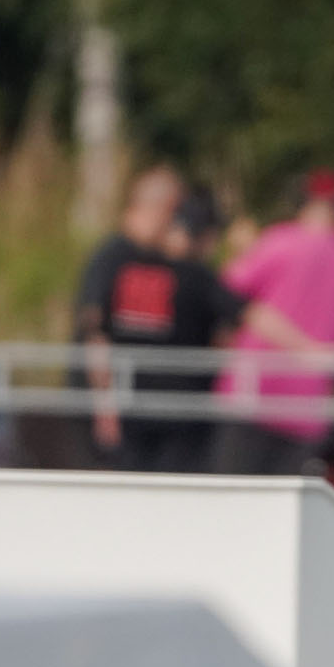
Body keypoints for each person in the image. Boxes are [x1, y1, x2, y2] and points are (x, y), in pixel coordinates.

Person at [76, 167, 246, 472]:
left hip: (155, 410)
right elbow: (94, 331)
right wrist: (105, 404)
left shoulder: (163, 261)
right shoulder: (113, 256)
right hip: (124, 409)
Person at [210, 170, 334, 476]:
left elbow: (228, 291)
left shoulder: (279, 241)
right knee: (285, 509)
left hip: (253, 391)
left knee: (231, 497)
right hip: (306, 405)